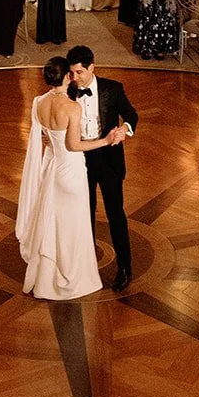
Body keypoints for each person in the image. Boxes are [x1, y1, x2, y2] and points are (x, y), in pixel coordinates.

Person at [14, 55, 127, 300]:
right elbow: (74, 146)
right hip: (72, 172)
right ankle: (73, 279)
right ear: (67, 76)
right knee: (75, 227)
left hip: (52, 170)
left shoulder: (38, 102)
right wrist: (105, 141)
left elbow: (47, 137)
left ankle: (47, 278)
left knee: (54, 224)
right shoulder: (71, 107)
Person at [66, 47, 138, 292]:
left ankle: (125, 267)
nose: (75, 78)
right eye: (72, 72)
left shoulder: (113, 88)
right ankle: (83, 268)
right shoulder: (68, 91)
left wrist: (124, 129)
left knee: (115, 214)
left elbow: (131, 114)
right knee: (83, 215)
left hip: (109, 161)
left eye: (79, 72)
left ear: (92, 68)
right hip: (78, 160)